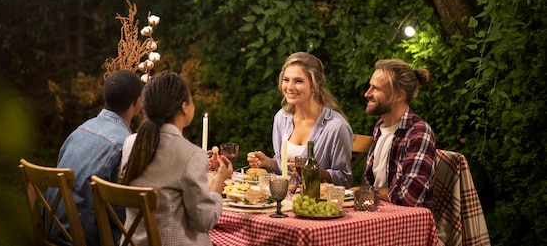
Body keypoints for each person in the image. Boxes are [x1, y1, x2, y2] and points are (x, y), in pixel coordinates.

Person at [120, 70, 233, 246]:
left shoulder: (130, 143)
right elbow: (204, 222)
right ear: (184, 106)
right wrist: (219, 180)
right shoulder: (190, 154)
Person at [45, 69, 143, 246]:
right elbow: (123, 212)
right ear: (137, 103)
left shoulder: (81, 130)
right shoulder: (124, 145)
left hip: (54, 231)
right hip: (87, 239)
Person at [246, 52, 353, 187]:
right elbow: (284, 169)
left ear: (314, 85)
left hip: (317, 202)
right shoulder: (281, 118)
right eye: (286, 80)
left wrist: (313, 172)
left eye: (298, 81)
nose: (290, 87)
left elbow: (345, 179)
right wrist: (266, 162)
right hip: (285, 198)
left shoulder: (336, 127)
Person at [361, 58, 436, 208]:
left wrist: (366, 191)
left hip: (405, 225)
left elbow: (408, 198)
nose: (367, 94)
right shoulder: (380, 127)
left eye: (376, 88)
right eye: (370, 87)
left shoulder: (418, 132)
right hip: (376, 216)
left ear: (399, 95)